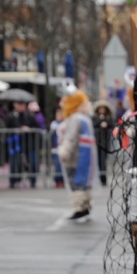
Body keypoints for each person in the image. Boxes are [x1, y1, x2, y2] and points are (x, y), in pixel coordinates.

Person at [57, 89, 97, 222]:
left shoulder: (74, 119)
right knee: (84, 182)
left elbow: (71, 138)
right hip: (86, 157)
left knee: (76, 182)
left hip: (75, 156)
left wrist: (64, 152)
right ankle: (85, 206)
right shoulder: (85, 119)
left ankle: (79, 208)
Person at [6, 101, 42, 188]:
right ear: (15, 105)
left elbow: (37, 128)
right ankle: (13, 181)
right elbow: (6, 128)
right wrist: (15, 130)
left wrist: (29, 129)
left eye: (22, 105)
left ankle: (33, 181)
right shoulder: (11, 116)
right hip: (16, 144)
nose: (21, 107)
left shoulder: (30, 116)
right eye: (19, 105)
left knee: (33, 162)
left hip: (30, 144)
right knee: (14, 163)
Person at [92, 101, 114, 186]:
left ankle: (103, 178)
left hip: (105, 142)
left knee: (103, 159)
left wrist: (106, 124)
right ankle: (98, 178)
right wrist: (100, 123)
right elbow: (93, 125)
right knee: (97, 159)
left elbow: (112, 125)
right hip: (97, 142)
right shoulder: (95, 118)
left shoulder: (108, 119)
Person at [50, 107, 65, 189]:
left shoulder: (65, 123)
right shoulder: (54, 124)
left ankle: (63, 180)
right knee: (57, 165)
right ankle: (57, 180)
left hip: (64, 147)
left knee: (63, 165)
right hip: (56, 147)